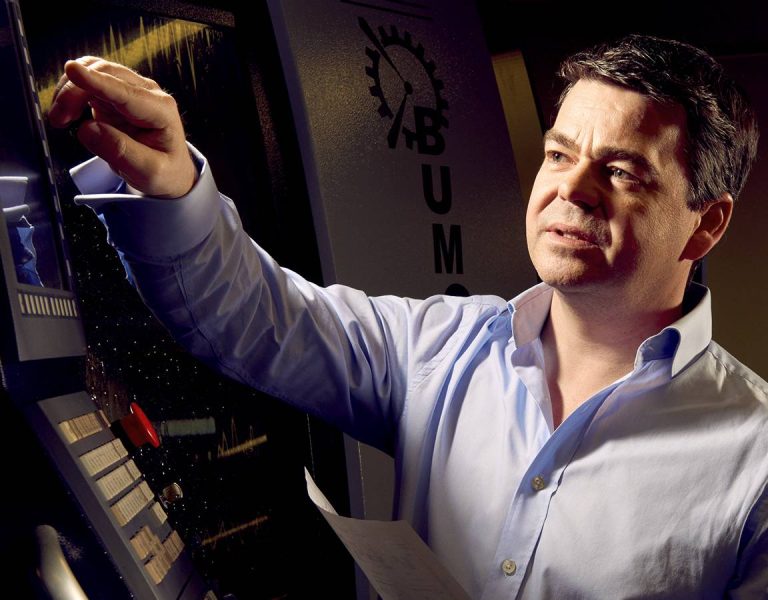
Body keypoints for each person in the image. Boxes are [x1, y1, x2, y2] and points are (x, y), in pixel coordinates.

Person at [48, 34, 767, 598]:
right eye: (559, 154)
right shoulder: (438, 348)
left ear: (706, 225)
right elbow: (248, 314)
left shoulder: (755, 464)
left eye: (621, 171)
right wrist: (169, 181)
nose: (570, 190)